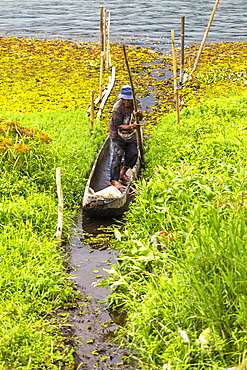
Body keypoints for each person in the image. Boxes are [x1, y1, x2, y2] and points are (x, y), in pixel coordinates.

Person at [109, 85, 143, 189]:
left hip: (131, 134)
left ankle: (122, 172)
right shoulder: (117, 108)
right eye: (125, 100)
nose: (127, 102)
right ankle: (114, 180)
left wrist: (138, 114)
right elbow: (119, 125)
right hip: (117, 135)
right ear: (122, 99)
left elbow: (141, 117)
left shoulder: (137, 104)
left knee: (133, 154)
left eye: (129, 100)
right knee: (116, 156)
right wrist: (132, 126)